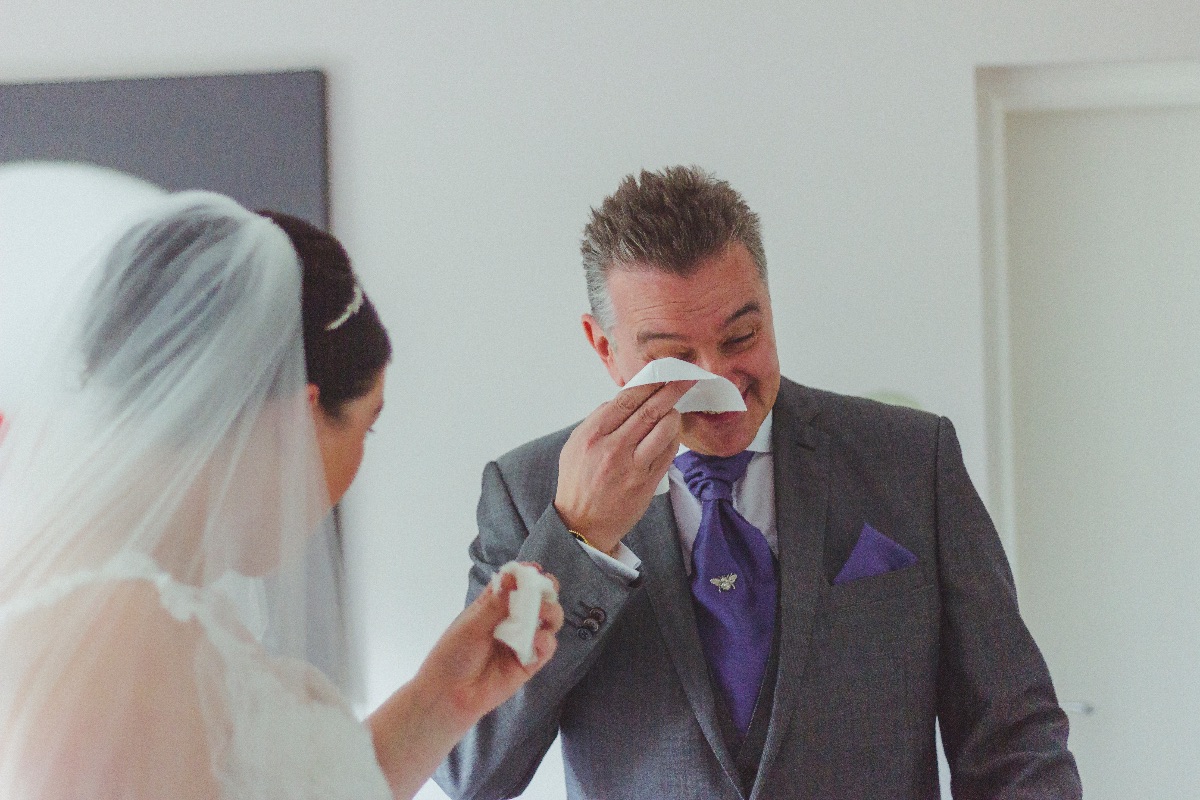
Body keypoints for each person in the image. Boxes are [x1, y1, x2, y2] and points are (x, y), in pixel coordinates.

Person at [434, 166, 1082, 799]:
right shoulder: (527, 496)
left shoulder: (911, 459)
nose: (721, 384)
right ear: (604, 348)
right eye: (673, 357)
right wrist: (578, 548)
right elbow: (471, 773)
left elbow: (1013, 735)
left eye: (741, 336)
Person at [0, 192, 563, 800]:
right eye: (366, 426)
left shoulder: (164, 615)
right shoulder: (122, 644)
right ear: (293, 420)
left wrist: (443, 700)